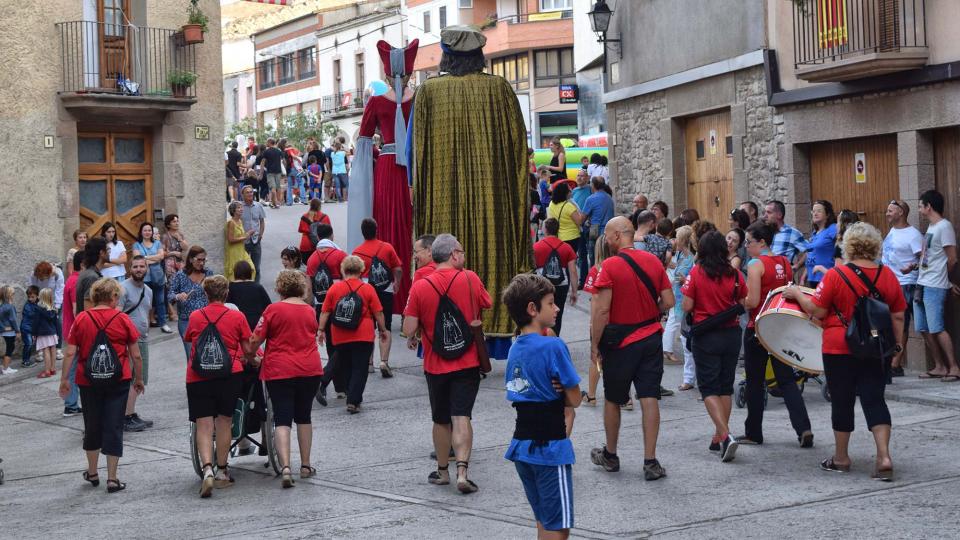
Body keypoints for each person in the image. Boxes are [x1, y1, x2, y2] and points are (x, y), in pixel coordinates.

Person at [410, 26, 531, 342]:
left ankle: (443, 334)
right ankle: (494, 329)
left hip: (442, 200)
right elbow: (519, 150)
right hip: (494, 204)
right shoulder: (500, 89)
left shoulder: (428, 92)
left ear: (446, 57)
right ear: (479, 55)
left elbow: (417, 156)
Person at [783, 222, 905, 480]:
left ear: (848, 247)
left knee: (842, 401)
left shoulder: (835, 275)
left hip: (839, 347)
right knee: (874, 399)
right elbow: (897, 316)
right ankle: (883, 456)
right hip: (875, 347)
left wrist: (797, 293)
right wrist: (896, 347)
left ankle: (841, 458)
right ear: (875, 246)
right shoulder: (887, 275)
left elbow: (817, 310)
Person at [402, 233, 492, 494]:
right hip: (467, 360)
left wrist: (419, 327)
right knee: (462, 415)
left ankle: (443, 473)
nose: (464, 256)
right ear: (453, 254)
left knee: (441, 419)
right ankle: (462, 472)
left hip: (435, 363)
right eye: (461, 252)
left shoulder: (420, 285)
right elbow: (488, 302)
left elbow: (409, 327)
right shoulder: (470, 278)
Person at [589, 216, 674, 480]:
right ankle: (650, 461)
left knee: (613, 399)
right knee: (649, 397)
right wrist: (650, 314)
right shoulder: (652, 261)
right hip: (650, 338)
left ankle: (611, 455)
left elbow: (602, 311)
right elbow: (669, 301)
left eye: (606, 234)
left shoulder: (609, 266)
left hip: (621, 343)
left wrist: (594, 344)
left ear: (616, 236)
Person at [502, 273, 582, 538]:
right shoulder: (554, 346)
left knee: (543, 521)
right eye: (551, 303)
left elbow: (518, 390)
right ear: (532, 309)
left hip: (522, 447)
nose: (557, 307)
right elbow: (575, 399)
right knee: (558, 528)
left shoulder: (514, 348)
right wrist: (560, 389)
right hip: (550, 449)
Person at [348, 40, 417, 327]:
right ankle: (413, 296)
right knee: (412, 226)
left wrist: (362, 177)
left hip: (388, 168)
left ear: (387, 75)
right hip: (413, 169)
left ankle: (384, 293)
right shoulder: (420, 98)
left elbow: (363, 139)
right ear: (410, 74)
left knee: (386, 225)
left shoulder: (376, 102)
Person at [59, 277, 144, 494]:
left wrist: (64, 380)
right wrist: (139, 379)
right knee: (114, 425)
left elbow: (70, 352)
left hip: (88, 380)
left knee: (92, 424)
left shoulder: (82, 318)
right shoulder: (122, 318)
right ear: (113, 296)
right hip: (119, 379)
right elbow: (136, 354)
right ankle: (113, 479)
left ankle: (93, 471)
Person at [737, 220, 812, 447]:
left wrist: (737, 298)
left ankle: (753, 433)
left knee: (755, 382)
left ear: (761, 242)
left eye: (749, 242)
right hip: (780, 326)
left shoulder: (755, 265)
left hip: (758, 328)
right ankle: (803, 428)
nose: (747, 247)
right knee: (787, 381)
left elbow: (752, 301)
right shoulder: (785, 262)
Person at [183, 275, 256, 497]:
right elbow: (247, 348)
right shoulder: (236, 316)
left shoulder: (196, 316)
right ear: (226, 294)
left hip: (198, 375)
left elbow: (189, 338)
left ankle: (207, 469)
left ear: (206, 294)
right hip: (229, 374)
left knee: (203, 424)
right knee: (224, 421)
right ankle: (222, 471)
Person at [250, 270, 324, 488]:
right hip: (309, 368)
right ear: (301, 287)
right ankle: (306, 464)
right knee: (304, 417)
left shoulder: (273, 310)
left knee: (282, 419)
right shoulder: (310, 311)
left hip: (280, 369)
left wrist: (250, 354)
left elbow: (256, 338)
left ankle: (285, 468)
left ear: (280, 288)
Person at [680, 231, 748, 462]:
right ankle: (719, 436)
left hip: (706, 335)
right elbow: (743, 301)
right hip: (731, 334)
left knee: (708, 388)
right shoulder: (736, 274)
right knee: (725, 387)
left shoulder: (696, 273)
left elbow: (687, 305)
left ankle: (726, 434)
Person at [318, 256, 388, 414]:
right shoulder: (368, 288)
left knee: (346, 365)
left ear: (343, 270)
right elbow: (378, 312)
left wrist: (321, 330)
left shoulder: (334, 289)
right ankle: (353, 401)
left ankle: (349, 393)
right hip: (362, 333)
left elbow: (325, 311)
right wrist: (383, 330)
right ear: (361, 270)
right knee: (360, 368)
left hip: (340, 332)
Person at [915, 189, 959, 381]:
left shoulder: (944, 226)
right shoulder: (932, 228)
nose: (919, 209)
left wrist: (947, 280)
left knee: (937, 327)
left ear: (928, 206)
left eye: (920, 205)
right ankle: (939, 366)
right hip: (921, 282)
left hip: (935, 285)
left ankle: (954, 367)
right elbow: (931, 257)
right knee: (923, 328)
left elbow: (952, 259)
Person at [353, 218, 402, 377]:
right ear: (376, 230)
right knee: (385, 326)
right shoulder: (387, 247)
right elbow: (398, 269)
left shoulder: (357, 252)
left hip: (366, 291)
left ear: (362, 232)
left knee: (368, 327)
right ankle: (384, 361)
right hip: (385, 290)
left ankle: (369, 363)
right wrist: (397, 283)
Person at [882, 199, 923, 377]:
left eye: (890, 211)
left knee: (902, 325)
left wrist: (912, 267)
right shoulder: (892, 230)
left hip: (906, 285)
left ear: (901, 213)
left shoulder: (913, 234)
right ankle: (893, 361)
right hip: (891, 283)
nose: (887, 213)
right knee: (893, 324)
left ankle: (895, 363)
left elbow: (924, 258)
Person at [118, 256, 153, 433]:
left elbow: (146, 313)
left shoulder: (148, 290)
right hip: (127, 341)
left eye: (142, 266)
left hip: (142, 339)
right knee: (130, 378)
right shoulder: (123, 289)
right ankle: (127, 416)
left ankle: (130, 413)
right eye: (135, 266)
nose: (139, 269)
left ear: (147, 268)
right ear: (129, 268)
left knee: (141, 378)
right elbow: (117, 315)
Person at [533, 218, 578, 336]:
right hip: (561, 286)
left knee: (540, 312)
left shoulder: (536, 247)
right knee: (557, 314)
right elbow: (573, 271)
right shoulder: (567, 247)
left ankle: (542, 338)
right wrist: (574, 291)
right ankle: (555, 338)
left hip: (542, 285)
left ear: (545, 230)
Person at [581, 238, 611, 407]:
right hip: (619, 320)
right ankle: (626, 397)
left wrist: (592, 326)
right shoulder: (621, 267)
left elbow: (595, 301)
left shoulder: (596, 270)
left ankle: (592, 395)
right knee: (620, 359)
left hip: (601, 320)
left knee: (596, 358)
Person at [169, 246, 212, 359]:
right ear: (190, 259)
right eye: (199, 259)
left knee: (208, 356)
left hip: (207, 320)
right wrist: (178, 296)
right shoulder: (180, 275)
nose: (202, 263)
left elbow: (216, 292)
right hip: (187, 321)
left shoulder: (209, 273)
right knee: (192, 356)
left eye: (204, 260)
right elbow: (170, 295)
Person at [665, 226, 694, 382]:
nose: (675, 240)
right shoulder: (682, 256)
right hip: (679, 296)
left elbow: (692, 276)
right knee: (678, 327)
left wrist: (685, 280)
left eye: (677, 237)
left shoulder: (690, 258)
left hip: (685, 298)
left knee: (683, 331)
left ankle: (689, 376)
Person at [133, 223, 170, 334]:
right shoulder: (137, 245)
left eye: (149, 230)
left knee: (160, 301)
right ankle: (145, 326)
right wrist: (154, 258)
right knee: (144, 302)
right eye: (145, 230)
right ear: (141, 232)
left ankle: (163, 324)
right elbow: (137, 259)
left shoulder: (157, 243)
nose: (147, 232)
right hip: (144, 277)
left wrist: (145, 258)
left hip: (158, 276)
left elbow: (161, 256)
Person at [580, 177, 615, 285]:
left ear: (593, 185)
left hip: (595, 233)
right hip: (609, 233)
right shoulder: (609, 197)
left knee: (595, 260)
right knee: (607, 259)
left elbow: (582, 219)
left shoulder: (591, 199)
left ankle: (596, 285)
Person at [61, 252, 83, 416]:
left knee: (73, 368)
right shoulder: (76, 282)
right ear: (82, 264)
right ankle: (70, 405)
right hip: (73, 332)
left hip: (69, 330)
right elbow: (76, 310)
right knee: (73, 369)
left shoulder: (72, 279)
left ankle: (72, 403)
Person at [227, 261, 272, 333]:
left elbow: (226, 306)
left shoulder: (230, 288)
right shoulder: (258, 287)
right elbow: (269, 307)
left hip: (237, 324)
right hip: (255, 325)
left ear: (235, 273)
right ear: (249, 272)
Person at [764, 200, 807, 274]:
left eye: (769, 212)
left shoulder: (792, 233)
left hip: (782, 277)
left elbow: (809, 252)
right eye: (765, 212)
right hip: (765, 275)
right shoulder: (764, 231)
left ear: (779, 215)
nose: (765, 216)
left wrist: (797, 266)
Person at [806, 200, 838, 288]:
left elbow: (842, 246)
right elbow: (810, 254)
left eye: (819, 211)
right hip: (812, 278)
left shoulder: (832, 228)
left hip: (825, 276)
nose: (815, 213)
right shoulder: (814, 233)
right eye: (813, 211)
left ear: (827, 214)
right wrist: (803, 276)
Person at [238, 186, 266, 283]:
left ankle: (256, 285)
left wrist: (261, 234)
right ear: (242, 195)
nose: (250, 194)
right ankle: (245, 285)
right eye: (247, 192)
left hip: (255, 241)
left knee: (256, 267)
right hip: (243, 241)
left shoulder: (258, 206)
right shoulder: (239, 207)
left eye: (251, 192)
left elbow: (261, 221)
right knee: (243, 267)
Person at [547, 182, 584, 255]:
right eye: (570, 190)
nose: (571, 192)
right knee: (571, 259)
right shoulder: (569, 206)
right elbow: (579, 221)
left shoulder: (551, 203)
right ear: (565, 193)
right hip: (572, 237)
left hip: (559, 237)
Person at [224, 201, 255, 282]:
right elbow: (230, 239)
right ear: (233, 210)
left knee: (251, 268)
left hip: (241, 249)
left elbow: (241, 235)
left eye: (241, 207)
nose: (241, 209)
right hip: (234, 251)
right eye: (238, 207)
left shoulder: (240, 221)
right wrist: (245, 236)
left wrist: (247, 233)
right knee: (236, 272)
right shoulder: (231, 223)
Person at [76, 237, 109, 313]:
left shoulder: (89, 273)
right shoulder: (92, 277)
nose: (109, 252)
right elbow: (89, 311)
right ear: (102, 253)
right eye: (108, 250)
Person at [298, 198, 330, 264]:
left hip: (305, 245)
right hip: (320, 245)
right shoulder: (324, 217)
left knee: (305, 267)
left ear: (310, 205)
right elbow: (329, 232)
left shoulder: (304, 217)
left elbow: (301, 229)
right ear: (320, 206)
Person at [255, 138, 284, 209]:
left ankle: (274, 203)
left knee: (272, 188)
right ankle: (278, 202)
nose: (266, 143)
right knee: (278, 187)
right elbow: (283, 161)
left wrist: (261, 174)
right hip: (278, 171)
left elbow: (262, 162)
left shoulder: (266, 152)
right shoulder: (279, 151)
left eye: (267, 142)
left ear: (269, 142)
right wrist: (284, 172)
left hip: (270, 172)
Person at [162, 214, 188, 286]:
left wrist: (179, 238)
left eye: (177, 221)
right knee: (172, 284)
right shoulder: (165, 236)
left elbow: (185, 248)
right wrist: (173, 253)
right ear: (168, 225)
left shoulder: (180, 235)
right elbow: (162, 253)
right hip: (170, 264)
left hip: (180, 263)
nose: (177, 223)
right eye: (174, 221)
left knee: (182, 283)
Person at [0, 285, 19, 375]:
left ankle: (5, 366)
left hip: (4, 332)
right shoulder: (10, 307)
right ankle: (5, 368)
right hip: (10, 332)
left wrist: (3, 328)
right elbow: (13, 320)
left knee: (9, 348)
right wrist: (18, 331)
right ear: (9, 295)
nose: (13, 295)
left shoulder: (2, 306)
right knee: (10, 349)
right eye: (12, 294)